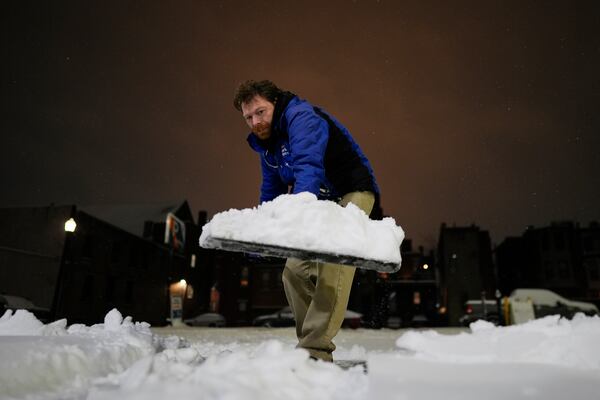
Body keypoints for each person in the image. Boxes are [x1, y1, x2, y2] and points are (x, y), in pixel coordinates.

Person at [233, 80, 381, 362]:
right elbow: (271, 191)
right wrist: (263, 234)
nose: (255, 121)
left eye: (260, 112)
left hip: (351, 191)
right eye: (248, 117)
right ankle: (310, 349)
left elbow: (308, 167)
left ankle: (315, 350)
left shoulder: (301, 117)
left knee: (332, 263)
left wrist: (300, 215)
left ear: (275, 102)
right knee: (294, 272)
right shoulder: (268, 146)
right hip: (319, 200)